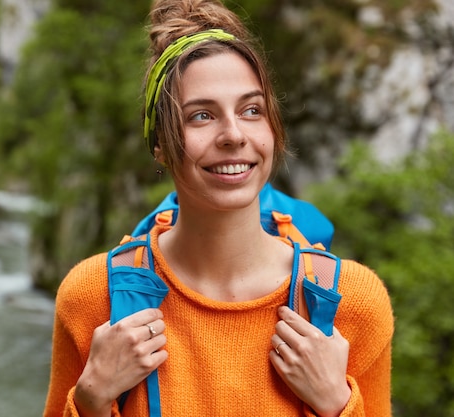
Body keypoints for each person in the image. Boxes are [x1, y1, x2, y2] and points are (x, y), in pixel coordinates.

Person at [43, 0, 394, 416]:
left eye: (251, 110)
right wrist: (91, 401)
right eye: (201, 116)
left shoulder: (352, 304)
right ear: (160, 145)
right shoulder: (93, 299)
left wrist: (338, 404)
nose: (233, 135)